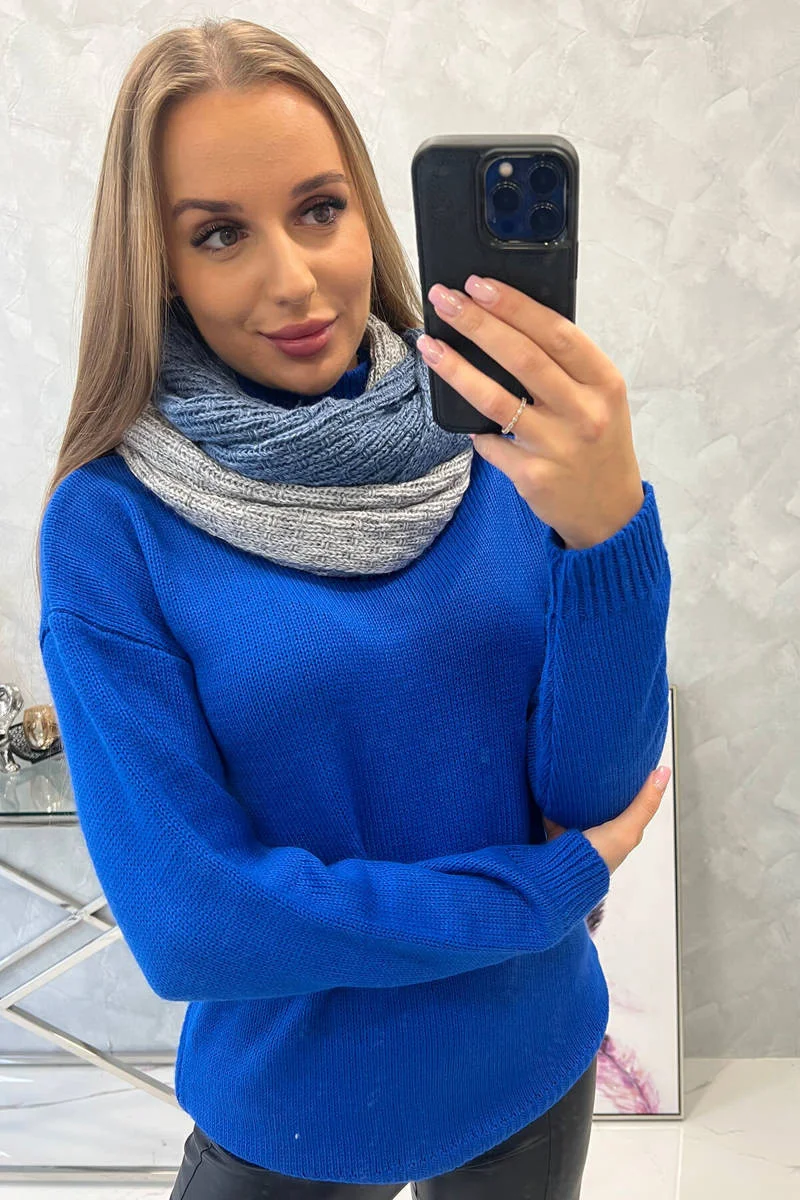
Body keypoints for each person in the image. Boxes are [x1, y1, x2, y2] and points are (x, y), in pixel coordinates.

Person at [34, 18, 672, 1200]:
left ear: (364, 213)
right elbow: (193, 920)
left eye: (317, 209)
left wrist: (608, 530)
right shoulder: (110, 524)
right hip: (294, 1118)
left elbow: (592, 798)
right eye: (218, 233)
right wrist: (531, 895)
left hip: (532, 1063)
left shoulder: (500, 442)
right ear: (156, 264)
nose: (291, 279)